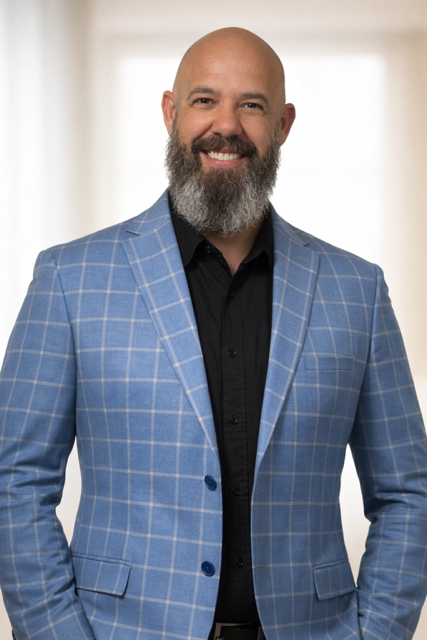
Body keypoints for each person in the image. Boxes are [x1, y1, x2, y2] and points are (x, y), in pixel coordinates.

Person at [0, 26, 426, 640]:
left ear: (283, 124)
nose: (226, 125)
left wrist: (376, 632)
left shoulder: (357, 290)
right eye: (205, 100)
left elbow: (408, 493)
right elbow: (15, 482)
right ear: (170, 112)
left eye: (252, 105)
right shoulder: (70, 279)